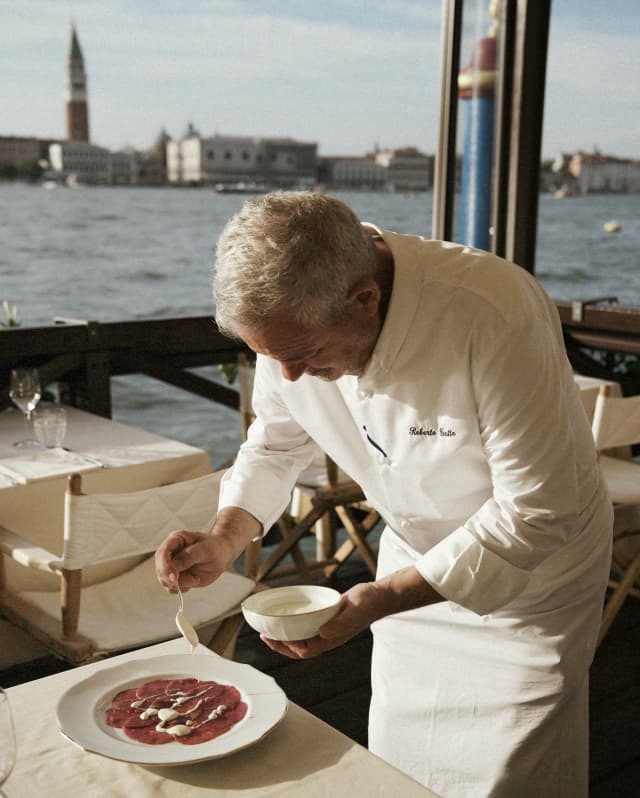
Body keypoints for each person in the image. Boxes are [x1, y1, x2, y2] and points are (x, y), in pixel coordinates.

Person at [155, 191, 612, 798]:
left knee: (513, 775)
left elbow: (536, 508)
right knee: (403, 761)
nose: (286, 374)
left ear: (364, 299)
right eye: (269, 358)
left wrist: (376, 599)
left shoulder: (492, 310)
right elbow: (277, 444)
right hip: (408, 570)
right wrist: (224, 536)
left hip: (531, 587)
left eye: (301, 356)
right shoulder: (292, 315)